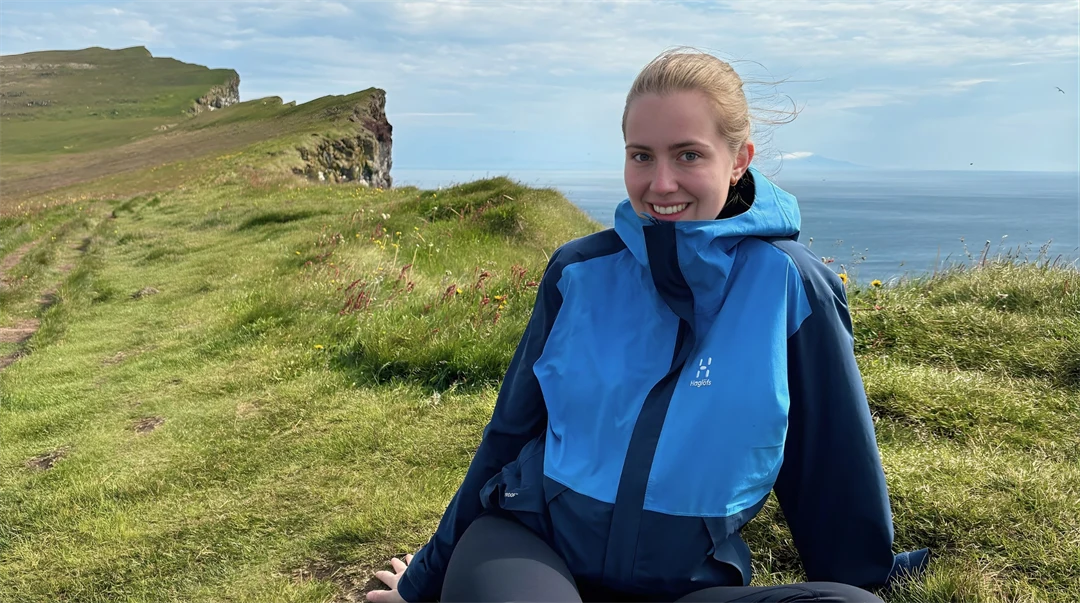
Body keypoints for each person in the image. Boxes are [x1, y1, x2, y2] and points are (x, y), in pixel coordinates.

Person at [366, 48, 929, 603]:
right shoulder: (578, 272)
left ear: (738, 161)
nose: (660, 184)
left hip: (685, 586)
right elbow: (506, 437)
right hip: (531, 550)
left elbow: (831, 462)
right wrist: (423, 585)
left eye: (688, 155)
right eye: (641, 156)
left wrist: (861, 576)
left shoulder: (789, 286)